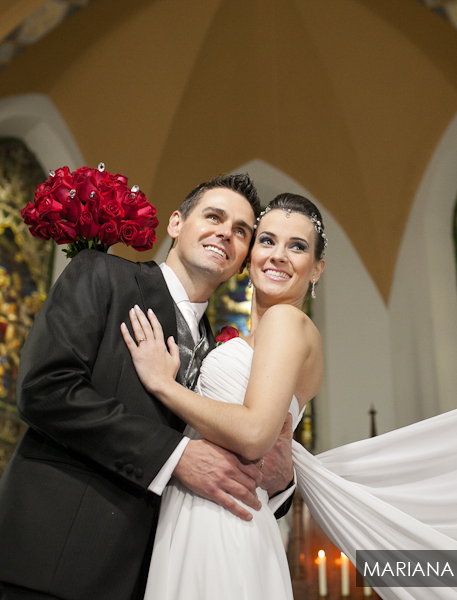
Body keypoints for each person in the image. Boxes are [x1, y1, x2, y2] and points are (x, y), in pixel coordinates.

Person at [0, 174, 296, 600]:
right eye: (214, 216)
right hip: (57, 555)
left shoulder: (222, 353)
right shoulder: (103, 274)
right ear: (176, 223)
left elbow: (227, 456)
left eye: (241, 231)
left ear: (244, 256)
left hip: (149, 577)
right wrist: (174, 457)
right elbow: (45, 388)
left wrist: (279, 482)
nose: (225, 232)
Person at [123, 193, 326, 599]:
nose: (279, 255)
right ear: (249, 256)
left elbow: (254, 433)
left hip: (221, 522)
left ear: (317, 268)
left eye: (298, 246)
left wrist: (164, 384)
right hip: (203, 509)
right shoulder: (250, 338)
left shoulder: (286, 321)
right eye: (267, 241)